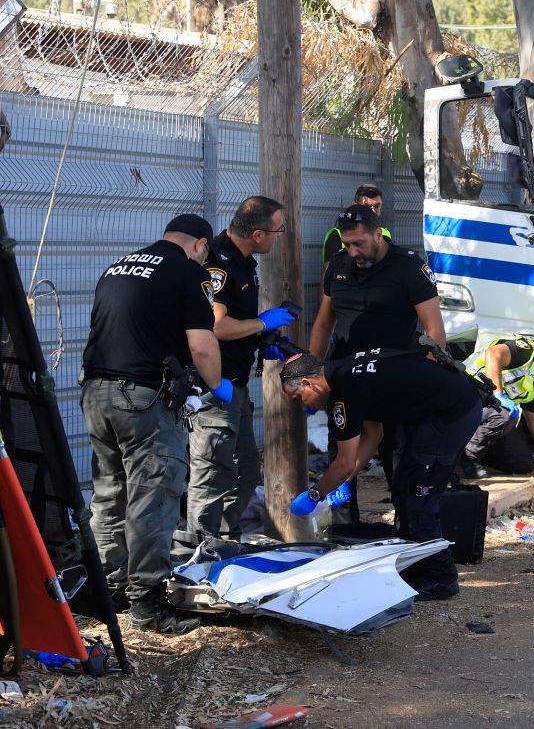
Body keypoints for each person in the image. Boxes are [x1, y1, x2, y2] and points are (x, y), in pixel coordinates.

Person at [81, 213, 231, 634]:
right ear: (200, 244)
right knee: (154, 495)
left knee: (110, 494)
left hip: (95, 393)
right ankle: (148, 604)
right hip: (143, 399)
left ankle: (108, 591)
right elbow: (202, 345)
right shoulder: (188, 273)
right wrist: (217, 386)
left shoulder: (118, 265)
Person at [280, 350, 482, 600]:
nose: (304, 406)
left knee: (417, 493)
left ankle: (440, 578)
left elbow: (344, 462)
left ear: (310, 383)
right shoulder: (344, 370)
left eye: (299, 397)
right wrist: (344, 480)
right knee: (404, 487)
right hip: (445, 406)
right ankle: (417, 568)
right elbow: (374, 434)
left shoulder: (344, 393)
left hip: (453, 411)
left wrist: (315, 494)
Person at [309, 204, 446, 517]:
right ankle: (342, 533)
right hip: (346, 382)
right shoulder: (339, 267)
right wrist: (313, 369)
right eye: (348, 244)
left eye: (360, 243)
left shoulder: (408, 267)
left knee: (401, 463)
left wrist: (426, 376)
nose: (354, 250)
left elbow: (435, 329)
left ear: (377, 233)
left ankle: (409, 531)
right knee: (341, 459)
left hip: (395, 382)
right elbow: (322, 323)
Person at [186, 196, 295, 540]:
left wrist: (263, 341)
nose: (280, 237)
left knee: (247, 472)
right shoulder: (218, 263)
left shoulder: (244, 261)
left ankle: (222, 538)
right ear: (259, 234)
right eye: (278, 231)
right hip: (213, 388)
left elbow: (237, 327)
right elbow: (215, 326)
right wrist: (261, 324)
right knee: (213, 474)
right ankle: (199, 550)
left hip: (237, 384)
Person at [459, 335, 534, 478]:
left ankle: (471, 452)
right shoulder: (527, 352)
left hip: (484, 412)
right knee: (505, 413)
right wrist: (498, 394)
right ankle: (467, 457)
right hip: (464, 394)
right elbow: (493, 353)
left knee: (522, 463)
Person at [321, 183, 391, 268]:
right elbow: (327, 277)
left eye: (377, 206)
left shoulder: (386, 234)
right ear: (354, 205)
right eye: (367, 206)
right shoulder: (337, 235)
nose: (373, 211)